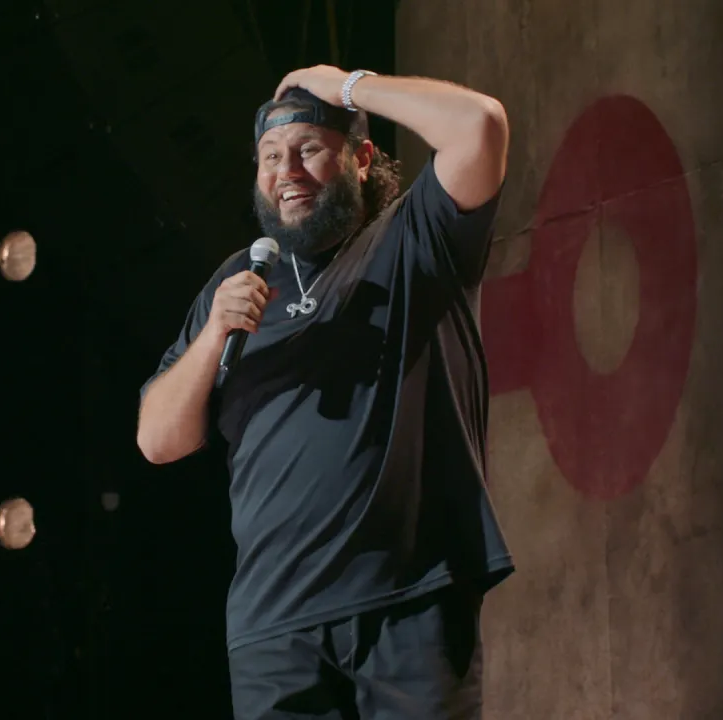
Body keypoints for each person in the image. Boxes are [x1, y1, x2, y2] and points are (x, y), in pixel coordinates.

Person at [136, 65, 513, 720]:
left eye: (308, 148)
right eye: (270, 156)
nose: (287, 172)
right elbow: (157, 440)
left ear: (361, 159)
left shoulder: (414, 237)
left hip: (407, 601)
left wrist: (346, 85)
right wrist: (212, 335)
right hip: (273, 627)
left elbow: (479, 126)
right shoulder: (235, 283)